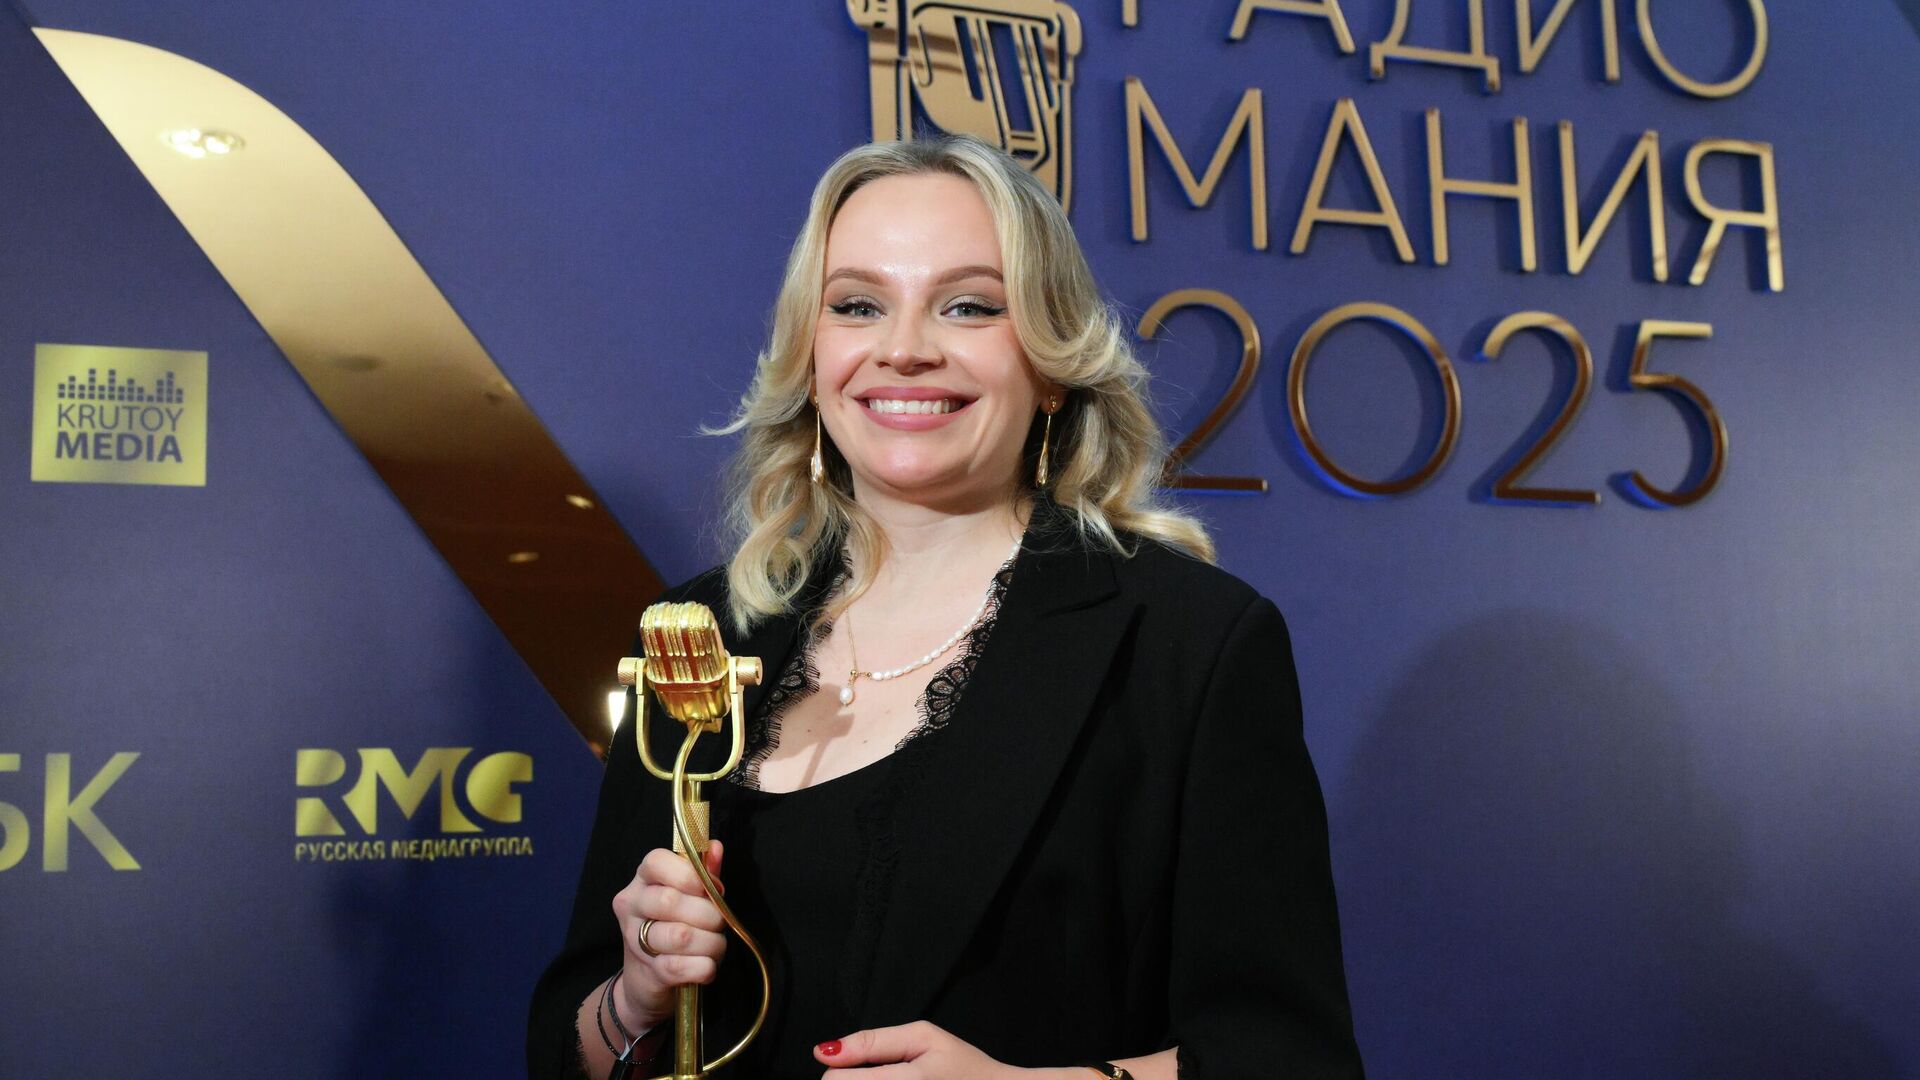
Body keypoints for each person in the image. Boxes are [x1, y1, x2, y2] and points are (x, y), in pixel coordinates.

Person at [527, 134, 1364, 1079]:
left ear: (1052, 365)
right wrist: (635, 999)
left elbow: (1291, 1060)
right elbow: (569, 1048)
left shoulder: (1187, 644)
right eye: (857, 305)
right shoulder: (699, 635)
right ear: (811, 358)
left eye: (968, 306)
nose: (904, 350)